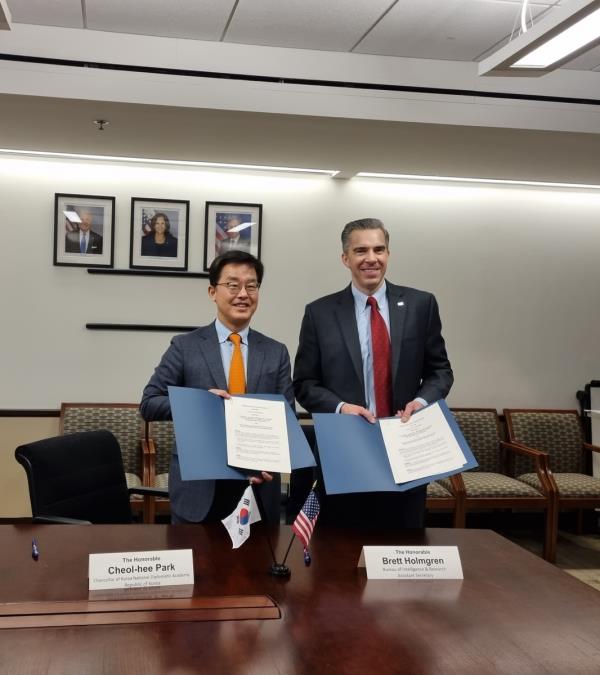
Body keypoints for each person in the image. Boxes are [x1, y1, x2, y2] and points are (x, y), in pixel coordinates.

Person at [293, 217, 453, 528]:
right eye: (361, 250)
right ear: (345, 258)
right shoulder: (320, 313)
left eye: (379, 249)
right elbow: (304, 384)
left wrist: (421, 402)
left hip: (406, 448)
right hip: (346, 449)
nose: (371, 258)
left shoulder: (421, 305)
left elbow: (440, 371)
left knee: (403, 545)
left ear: (388, 254)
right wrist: (341, 408)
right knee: (341, 552)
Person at [140, 250, 294, 524]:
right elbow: (149, 403)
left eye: (252, 285)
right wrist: (200, 403)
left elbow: (286, 417)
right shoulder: (185, 347)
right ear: (213, 292)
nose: (243, 294)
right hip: (201, 486)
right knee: (198, 565)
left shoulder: (275, 352)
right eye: (233, 285)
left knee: (258, 567)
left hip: (258, 485)